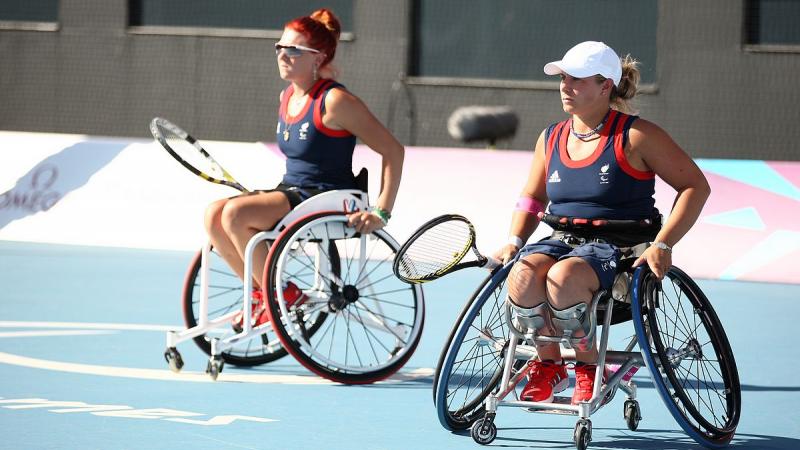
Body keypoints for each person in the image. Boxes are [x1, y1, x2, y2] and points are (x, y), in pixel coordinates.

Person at [494, 41, 710, 405]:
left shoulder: (638, 136)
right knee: (523, 274)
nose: (565, 86)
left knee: (562, 279)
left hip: (621, 249)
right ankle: (550, 367)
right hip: (564, 240)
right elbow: (532, 199)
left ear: (605, 85)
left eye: (577, 79)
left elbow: (695, 186)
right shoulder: (550, 138)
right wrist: (515, 239)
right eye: (563, 78)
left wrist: (664, 244)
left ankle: (588, 367)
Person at [204, 8, 404, 328]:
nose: (283, 55)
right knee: (213, 214)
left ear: (318, 58)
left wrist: (382, 211)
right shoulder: (287, 95)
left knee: (233, 215)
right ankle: (263, 294)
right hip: (294, 190)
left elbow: (393, 150)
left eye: (294, 50)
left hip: (329, 194)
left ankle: (281, 295)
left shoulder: (336, 101)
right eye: (280, 47)